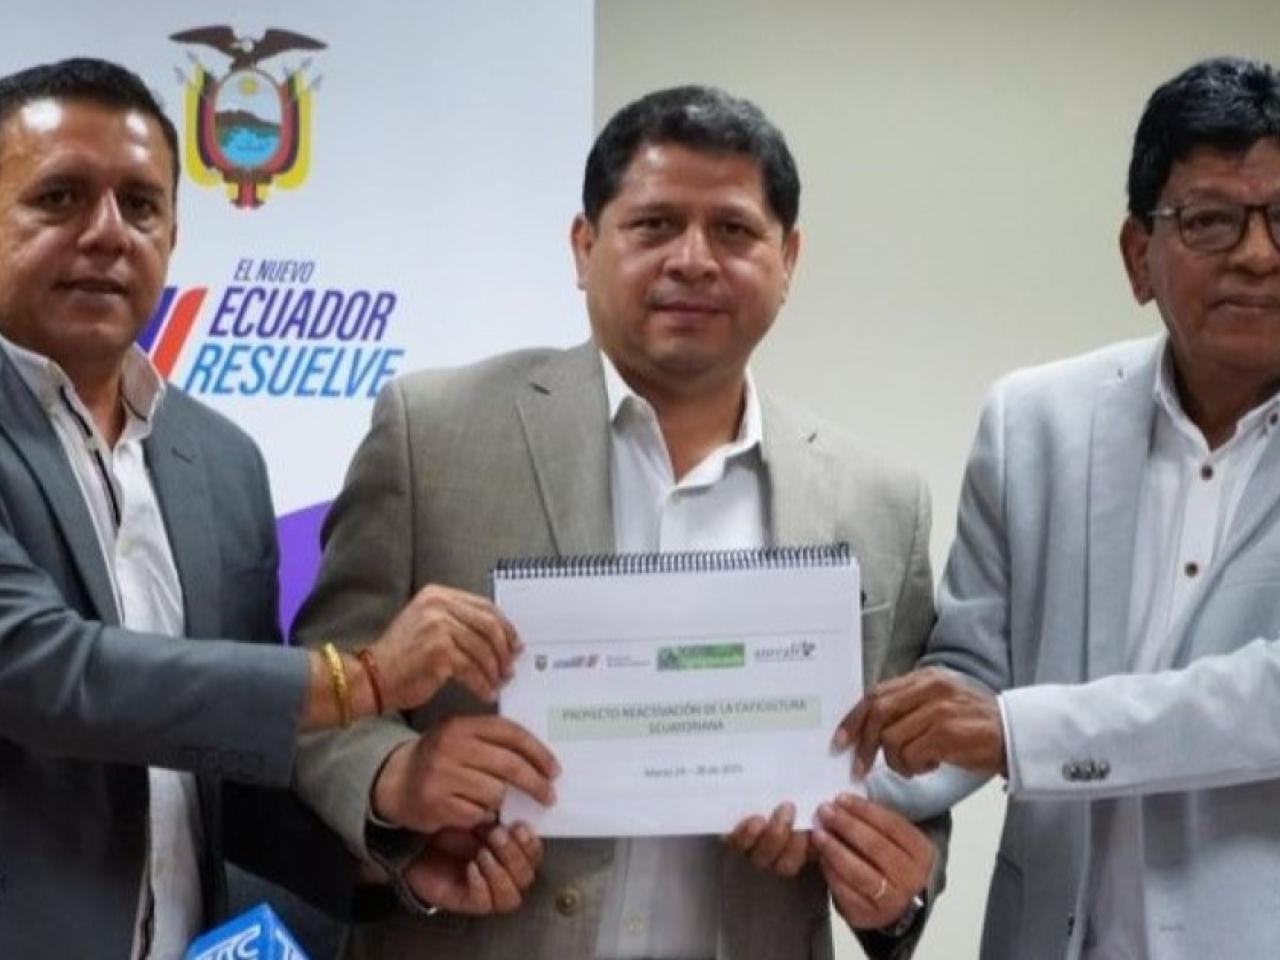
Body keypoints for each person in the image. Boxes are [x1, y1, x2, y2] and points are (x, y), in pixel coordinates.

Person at [292, 85, 945, 960]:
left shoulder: (883, 502)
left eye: (734, 231)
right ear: (584, 246)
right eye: (654, 225)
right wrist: (395, 776)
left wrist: (897, 894)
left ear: (788, 259)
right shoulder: (431, 434)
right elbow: (317, 698)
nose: (693, 260)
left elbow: (911, 777)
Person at [0, 57, 523, 958]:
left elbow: (224, 762)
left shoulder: (222, 461)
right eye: (59, 199)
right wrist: (360, 680)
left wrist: (391, 847)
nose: (108, 234)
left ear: (174, 234)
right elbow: (46, 673)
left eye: (141, 205)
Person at [842, 56, 1280, 959]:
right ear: (1138, 256)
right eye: (1210, 220)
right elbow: (972, 671)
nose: (1258, 253)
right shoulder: (1033, 421)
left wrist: (1016, 732)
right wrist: (809, 787)